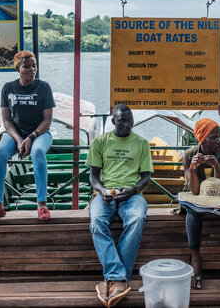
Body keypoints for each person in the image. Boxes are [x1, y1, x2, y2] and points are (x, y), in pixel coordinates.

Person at [87, 104, 153, 308]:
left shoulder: (141, 143)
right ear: (113, 121)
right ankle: (119, 279)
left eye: (130, 119)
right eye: (122, 120)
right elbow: (93, 177)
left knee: (137, 218)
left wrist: (133, 190)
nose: (127, 124)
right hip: (106, 193)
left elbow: (146, 178)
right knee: (97, 220)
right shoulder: (100, 141)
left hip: (131, 194)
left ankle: (114, 279)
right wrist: (102, 191)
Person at [0, 50, 55, 221]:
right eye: (26, 67)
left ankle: (42, 204)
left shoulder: (43, 87)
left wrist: (30, 137)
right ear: (17, 69)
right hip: (15, 133)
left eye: (34, 66)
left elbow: (47, 121)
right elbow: (7, 121)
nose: (32, 70)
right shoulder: (8, 88)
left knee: (37, 152)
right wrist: (19, 140)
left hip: (40, 133)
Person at [181, 118, 220, 290]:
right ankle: (195, 256)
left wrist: (216, 165)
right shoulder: (188, 156)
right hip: (197, 197)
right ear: (203, 139)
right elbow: (193, 191)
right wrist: (193, 169)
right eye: (214, 138)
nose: (219, 141)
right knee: (193, 212)